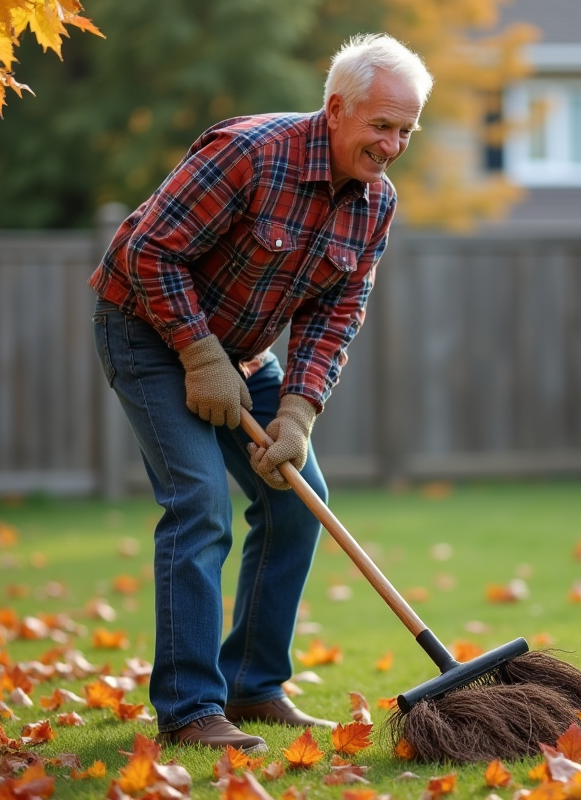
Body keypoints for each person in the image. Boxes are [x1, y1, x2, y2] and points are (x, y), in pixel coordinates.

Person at [88, 33, 432, 752]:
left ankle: (251, 683)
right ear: (336, 109)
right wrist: (197, 351)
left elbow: (337, 312)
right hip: (145, 329)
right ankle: (188, 709)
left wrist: (300, 412)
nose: (393, 145)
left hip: (242, 356)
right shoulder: (251, 153)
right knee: (198, 503)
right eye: (381, 126)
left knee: (297, 500)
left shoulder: (375, 204)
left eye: (406, 130)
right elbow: (146, 249)